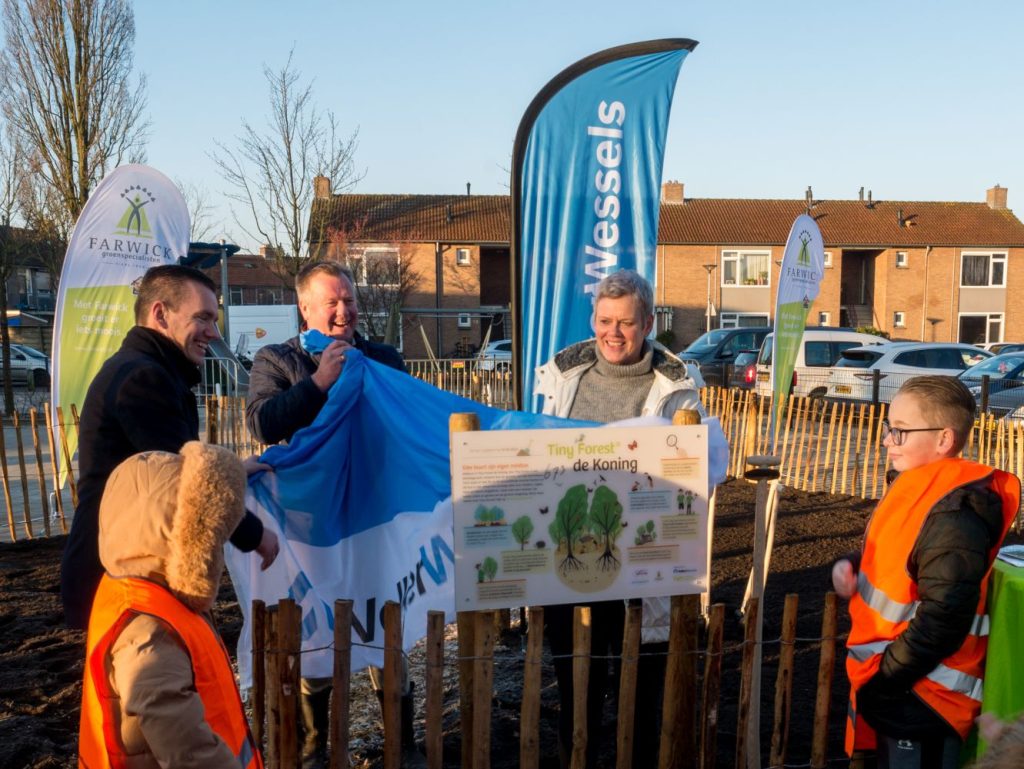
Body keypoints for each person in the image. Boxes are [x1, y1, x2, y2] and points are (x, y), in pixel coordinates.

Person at [533, 268, 704, 768]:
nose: (613, 333)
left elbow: (693, 475)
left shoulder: (675, 388)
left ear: (647, 323)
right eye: (605, 320)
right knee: (576, 683)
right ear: (593, 320)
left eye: (626, 322)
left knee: (642, 688)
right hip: (572, 554)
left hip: (643, 563)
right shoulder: (562, 377)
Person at [245, 259, 410, 768]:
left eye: (350, 300)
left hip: (375, 514)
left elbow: (403, 418)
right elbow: (263, 423)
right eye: (331, 302)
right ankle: (316, 747)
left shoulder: (383, 358)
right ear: (305, 307)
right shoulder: (276, 360)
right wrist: (318, 382)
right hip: (310, 524)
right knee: (317, 627)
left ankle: (402, 744)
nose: (343, 311)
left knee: (385, 623)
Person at [60, 264, 278, 630]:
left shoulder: (146, 371)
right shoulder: (142, 379)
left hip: (128, 567)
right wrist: (258, 536)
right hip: (119, 577)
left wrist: (235, 472)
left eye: (214, 320)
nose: (213, 332)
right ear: (161, 314)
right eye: (203, 318)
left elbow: (165, 466)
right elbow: (188, 482)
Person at [833, 376, 1020, 769]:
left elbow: (945, 614)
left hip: (924, 696)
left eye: (900, 431)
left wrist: (887, 678)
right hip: (905, 687)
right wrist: (851, 564)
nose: (888, 440)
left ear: (943, 439)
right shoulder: (922, 490)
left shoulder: (955, 511)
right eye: (888, 428)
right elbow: (901, 558)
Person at [79, 441, 263, 768]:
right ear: (185, 540)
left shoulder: (144, 592)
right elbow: (187, 749)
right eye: (209, 538)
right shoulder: (147, 630)